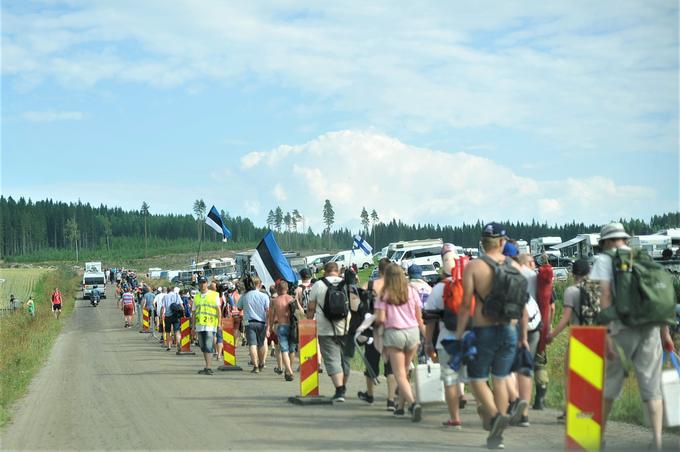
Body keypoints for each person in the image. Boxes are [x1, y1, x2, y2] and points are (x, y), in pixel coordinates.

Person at [589, 222, 674, 450]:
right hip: (651, 329)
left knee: (610, 386)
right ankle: (656, 440)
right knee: (651, 387)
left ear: (605, 242)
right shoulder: (643, 258)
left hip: (621, 329)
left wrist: (606, 333)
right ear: (624, 239)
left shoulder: (604, 260)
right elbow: (658, 300)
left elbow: (604, 296)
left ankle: (599, 438)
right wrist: (665, 334)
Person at [455, 223, 528, 450]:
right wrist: (523, 336)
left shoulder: (474, 266)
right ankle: (497, 437)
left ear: (482, 242)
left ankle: (496, 416)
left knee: (476, 378)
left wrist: (459, 334)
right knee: (500, 377)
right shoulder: (515, 267)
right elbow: (522, 305)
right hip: (509, 329)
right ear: (503, 242)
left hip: (484, 329)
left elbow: (466, 304)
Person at [374, 262, 426, 422]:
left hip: (395, 334)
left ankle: (413, 404)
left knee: (399, 375)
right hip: (412, 333)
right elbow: (419, 317)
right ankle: (401, 407)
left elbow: (381, 319)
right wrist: (426, 337)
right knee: (405, 371)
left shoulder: (384, 293)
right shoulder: (411, 291)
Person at [424, 244, 467, 429]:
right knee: (476, 379)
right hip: (469, 338)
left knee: (450, 380)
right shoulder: (470, 284)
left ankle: (455, 419)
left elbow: (430, 321)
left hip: (446, 340)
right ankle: (488, 413)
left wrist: (428, 344)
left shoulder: (438, 289)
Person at [546, 258, 591, 422]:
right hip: (596, 336)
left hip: (579, 336)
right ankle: (588, 411)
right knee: (589, 377)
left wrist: (552, 335)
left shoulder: (571, 291)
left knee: (571, 375)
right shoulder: (597, 289)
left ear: (573, 273)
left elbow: (565, 319)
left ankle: (570, 410)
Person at [307, 261, 351, 402]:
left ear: (324, 271)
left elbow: (311, 308)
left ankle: (339, 390)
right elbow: (355, 306)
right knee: (345, 360)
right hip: (345, 327)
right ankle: (343, 385)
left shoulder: (318, 285)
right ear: (337, 271)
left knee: (332, 359)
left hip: (325, 328)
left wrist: (309, 322)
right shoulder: (347, 284)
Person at [358, 258, 398, 410]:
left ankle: (370, 394)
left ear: (379, 270)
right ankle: (391, 399)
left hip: (373, 328)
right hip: (392, 327)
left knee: (371, 361)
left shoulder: (369, 285)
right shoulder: (395, 287)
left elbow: (359, 305)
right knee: (391, 366)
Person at [237, 276, 270, 373]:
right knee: (261, 344)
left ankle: (255, 366)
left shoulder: (245, 295)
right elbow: (268, 310)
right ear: (259, 284)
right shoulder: (264, 296)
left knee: (252, 344)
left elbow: (239, 308)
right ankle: (261, 363)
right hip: (262, 322)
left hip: (249, 323)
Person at [270, 280, 300, 381]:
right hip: (293, 327)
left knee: (284, 350)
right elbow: (300, 312)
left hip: (281, 326)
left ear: (277, 289)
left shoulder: (274, 301)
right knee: (292, 350)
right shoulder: (291, 298)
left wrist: (270, 327)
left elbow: (271, 316)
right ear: (287, 289)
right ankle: (288, 370)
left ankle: (289, 371)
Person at [192, 276, 221, 374]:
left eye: (204, 282)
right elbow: (193, 313)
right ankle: (206, 366)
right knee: (203, 346)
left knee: (208, 346)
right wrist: (193, 326)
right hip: (200, 326)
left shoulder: (214, 295)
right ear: (198, 284)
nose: (202, 284)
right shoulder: (196, 297)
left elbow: (218, 310)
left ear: (207, 283)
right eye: (201, 282)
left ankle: (208, 367)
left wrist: (219, 323)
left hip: (210, 325)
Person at [161, 287, 183, 351]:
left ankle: (169, 346)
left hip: (168, 316)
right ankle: (178, 342)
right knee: (177, 330)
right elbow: (181, 305)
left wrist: (162, 315)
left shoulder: (165, 297)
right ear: (173, 290)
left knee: (168, 331)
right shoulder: (177, 295)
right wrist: (183, 313)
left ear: (167, 291)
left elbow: (163, 307)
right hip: (176, 315)